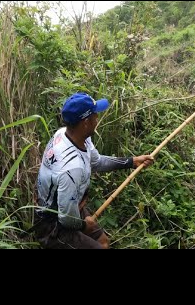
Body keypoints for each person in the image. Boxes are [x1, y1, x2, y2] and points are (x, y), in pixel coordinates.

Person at [33, 92, 154, 249]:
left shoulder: (66, 133)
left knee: (103, 241)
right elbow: (66, 218)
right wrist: (83, 226)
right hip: (52, 225)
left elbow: (96, 162)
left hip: (71, 205)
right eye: (95, 116)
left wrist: (131, 162)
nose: (97, 120)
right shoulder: (72, 168)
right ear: (85, 122)